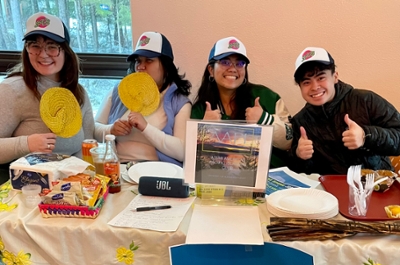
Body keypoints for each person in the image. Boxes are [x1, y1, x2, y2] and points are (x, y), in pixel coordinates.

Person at [0, 12, 95, 265]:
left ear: (66, 51)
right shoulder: (12, 90)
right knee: (26, 236)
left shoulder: (76, 92)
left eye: (53, 46)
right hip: (25, 187)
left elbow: (90, 137)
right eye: (35, 45)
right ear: (26, 51)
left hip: (67, 185)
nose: (44, 54)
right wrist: (28, 142)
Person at [289, 46, 400, 175]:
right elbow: (300, 172)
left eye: (321, 78)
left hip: (375, 186)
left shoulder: (366, 100)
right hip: (328, 191)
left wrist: (366, 135)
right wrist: (299, 156)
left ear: (335, 76)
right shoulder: (300, 121)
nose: (315, 87)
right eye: (306, 82)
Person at [190, 36, 293, 168]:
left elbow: (288, 142)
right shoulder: (200, 109)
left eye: (239, 63)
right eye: (225, 62)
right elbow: (193, 162)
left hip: (271, 178)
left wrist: (264, 119)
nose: (233, 69)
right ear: (211, 70)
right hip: (220, 181)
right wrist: (205, 129)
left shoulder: (266, 97)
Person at [94, 31, 191, 166]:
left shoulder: (179, 103)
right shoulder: (119, 91)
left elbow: (182, 151)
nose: (141, 67)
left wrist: (146, 128)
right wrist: (111, 130)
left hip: (158, 173)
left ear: (166, 65)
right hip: (117, 170)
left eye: (149, 60)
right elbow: (93, 129)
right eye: (138, 61)